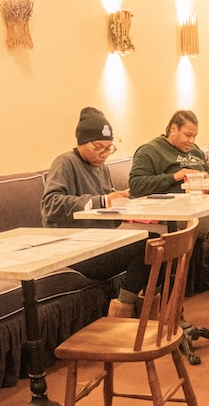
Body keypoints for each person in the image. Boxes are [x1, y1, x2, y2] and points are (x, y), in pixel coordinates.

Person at [128, 110, 209, 288]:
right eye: (188, 135)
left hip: (201, 203)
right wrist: (175, 177)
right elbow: (136, 185)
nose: (191, 140)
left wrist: (208, 178)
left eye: (194, 136)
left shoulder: (194, 151)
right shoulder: (150, 151)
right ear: (173, 129)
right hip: (172, 209)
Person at [41, 105, 149, 304]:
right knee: (147, 247)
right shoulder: (65, 163)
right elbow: (50, 205)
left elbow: (107, 207)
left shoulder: (102, 168)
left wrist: (124, 203)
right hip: (75, 249)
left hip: (102, 242)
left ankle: (144, 305)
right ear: (82, 142)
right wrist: (103, 201)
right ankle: (123, 307)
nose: (104, 154)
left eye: (108, 148)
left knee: (157, 242)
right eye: (98, 147)